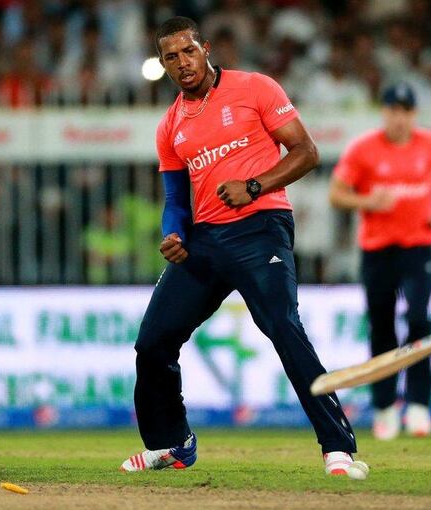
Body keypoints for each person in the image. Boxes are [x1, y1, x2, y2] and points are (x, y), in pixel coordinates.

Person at [120, 17, 362, 477]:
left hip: (261, 227)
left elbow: (307, 153)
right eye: (171, 57)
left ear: (205, 48)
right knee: (152, 343)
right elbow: (176, 200)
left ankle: (338, 448)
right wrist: (174, 234)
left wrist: (255, 185)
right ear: (164, 65)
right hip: (206, 241)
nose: (182, 63)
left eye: (188, 51)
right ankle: (173, 445)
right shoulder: (170, 125)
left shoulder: (255, 88)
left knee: (282, 326)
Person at [329, 83, 431, 440]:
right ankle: (385, 409)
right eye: (393, 110)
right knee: (382, 327)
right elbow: (336, 194)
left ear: (413, 114)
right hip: (378, 249)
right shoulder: (363, 149)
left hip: (418, 247)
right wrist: (367, 203)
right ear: (384, 112)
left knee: (419, 321)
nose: (399, 118)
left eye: (405, 111)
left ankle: (418, 406)